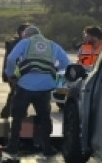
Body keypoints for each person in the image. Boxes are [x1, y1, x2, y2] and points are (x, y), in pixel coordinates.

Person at [4, 26, 71, 156]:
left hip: (25, 85)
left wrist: (11, 75)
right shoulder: (53, 45)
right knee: (44, 118)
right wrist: (56, 76)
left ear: (26, 35)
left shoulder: (25, 42)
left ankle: (13, 146)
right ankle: (47, 148)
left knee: (18, 117)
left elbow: (11, 58)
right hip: (45, 87)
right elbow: (66, 63)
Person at [0, 23, 29, 119]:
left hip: (20, 72)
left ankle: (7, 111)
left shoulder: (24, 43)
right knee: (18, 92)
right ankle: (18, 113)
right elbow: (12, 59)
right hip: (16, 72)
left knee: (15, 92)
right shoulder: (15, 44)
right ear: (21, 32)